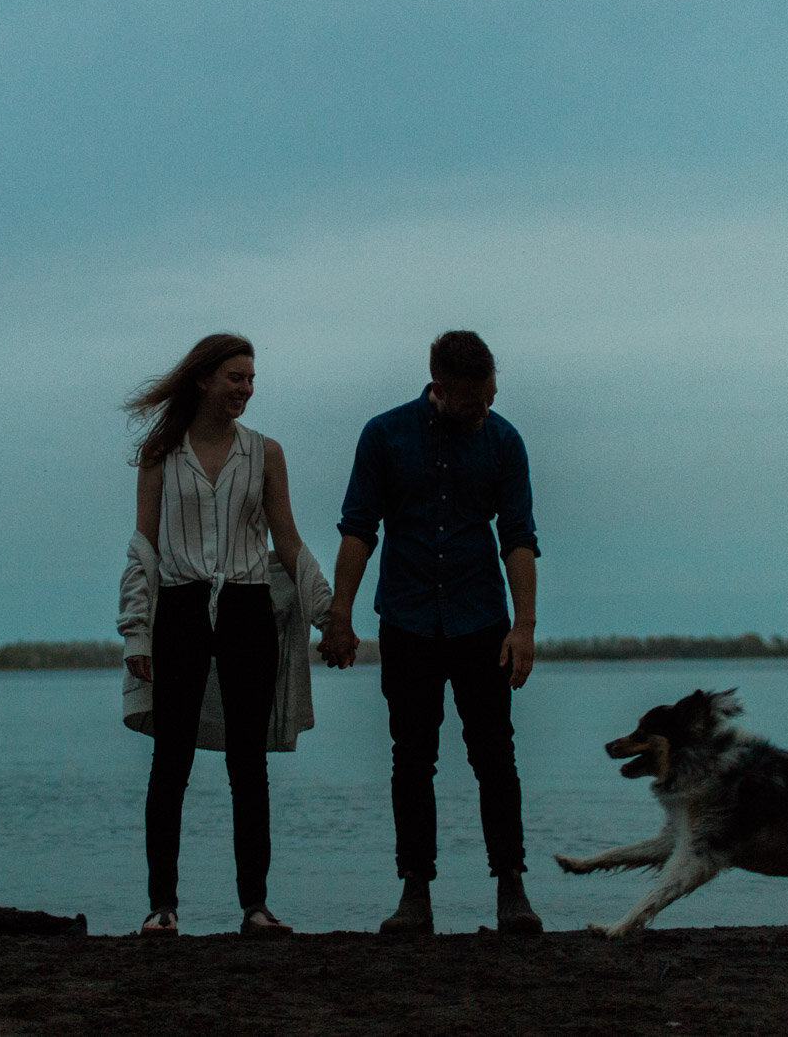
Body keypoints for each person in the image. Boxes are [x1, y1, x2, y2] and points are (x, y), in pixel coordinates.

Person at [319, 330, 543, 935]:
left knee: (495, 756)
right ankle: (414, 894)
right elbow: (358, 529)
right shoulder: (384, 436)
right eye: (473, 403)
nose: (484, 412)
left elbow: (518, 538)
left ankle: (511, 890)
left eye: (491, 398)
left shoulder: (504, 442)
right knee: (411, 761)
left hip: (482, 622)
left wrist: (523, 628)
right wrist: (341, 615)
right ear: (439, 390)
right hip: (409, 619)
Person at [117, 333, 331, 938]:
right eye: (235, 377)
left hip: (247, 606)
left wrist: (326, 613)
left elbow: (285, 539)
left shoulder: (265, 453)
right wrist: (137, 634)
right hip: (180, 610)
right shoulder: (162, 452)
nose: (246, 389)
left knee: (248, 763)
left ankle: (255, 906)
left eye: (251, 379)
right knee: (171, 760)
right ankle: (162, 906)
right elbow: (145, 547)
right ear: (204, 380)